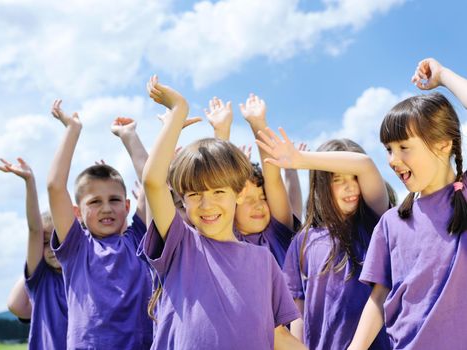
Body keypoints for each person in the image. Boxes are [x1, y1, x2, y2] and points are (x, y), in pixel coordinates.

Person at [140, 75, 306, 349]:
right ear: (183, 199)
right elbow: (152, 182)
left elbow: (277, 335)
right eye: (194, 195)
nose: (207, 205)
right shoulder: (181, 245)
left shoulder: (264, 261)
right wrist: (178, 112)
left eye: (218, 192)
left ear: (238, 194)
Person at [349, 58, 467, 349]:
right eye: (389, 149)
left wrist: (443, 75)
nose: (392, 160)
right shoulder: (391, 222)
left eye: (404, 147)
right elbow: (379, 298)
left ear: (443, 144)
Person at [256, 131, 390, 350]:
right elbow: (297, 308)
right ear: (321, 185)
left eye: (354, 178)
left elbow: (365, 164)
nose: (350, 187)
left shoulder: (376, 225)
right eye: (338, 179)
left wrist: (301, 160)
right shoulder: (303, 240)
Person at [47, 100, 152, 349]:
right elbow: (54, 187)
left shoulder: (138, 238)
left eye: (114, 199)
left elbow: (152, 181)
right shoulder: (76, 247)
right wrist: (72, 130)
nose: (106, 208)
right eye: (95, 201)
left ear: (127, 206)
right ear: (78, 213)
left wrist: (129, 136)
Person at [204, 93, 302, 267]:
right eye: (248, 199)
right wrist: (221, 131)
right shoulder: (225, 236)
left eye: (263, 198)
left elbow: (273, 178)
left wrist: (258, 124)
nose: (258, 205)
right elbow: (218, 183)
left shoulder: (277, 233)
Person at [0, 158, 67, 350]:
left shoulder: (84, 273)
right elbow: (35, 229)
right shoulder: (41, 279)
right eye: (45, 242)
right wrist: (30, 182)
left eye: (58, 240)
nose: (53, 247)